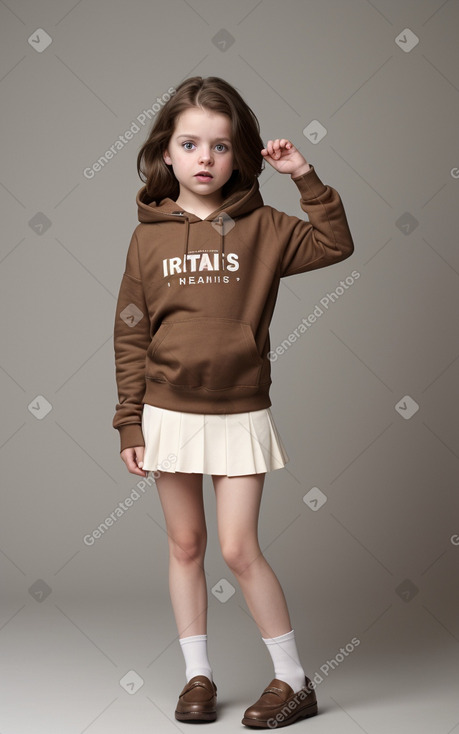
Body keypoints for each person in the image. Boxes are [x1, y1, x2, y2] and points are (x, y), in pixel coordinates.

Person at [112, 75, 354, 728]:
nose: (204, 158)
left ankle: (292, 680)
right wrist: (129, 419)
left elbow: (335, 243)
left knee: (239, 548)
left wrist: (304, 176)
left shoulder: (266, 228)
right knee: (186, 543)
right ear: (167, 152)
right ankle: (198, 676)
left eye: (219, 146)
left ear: (237, 156)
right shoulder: (147, 238)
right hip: (167, 412)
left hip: (240, 411)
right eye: (189, 143)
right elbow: (131, 333)